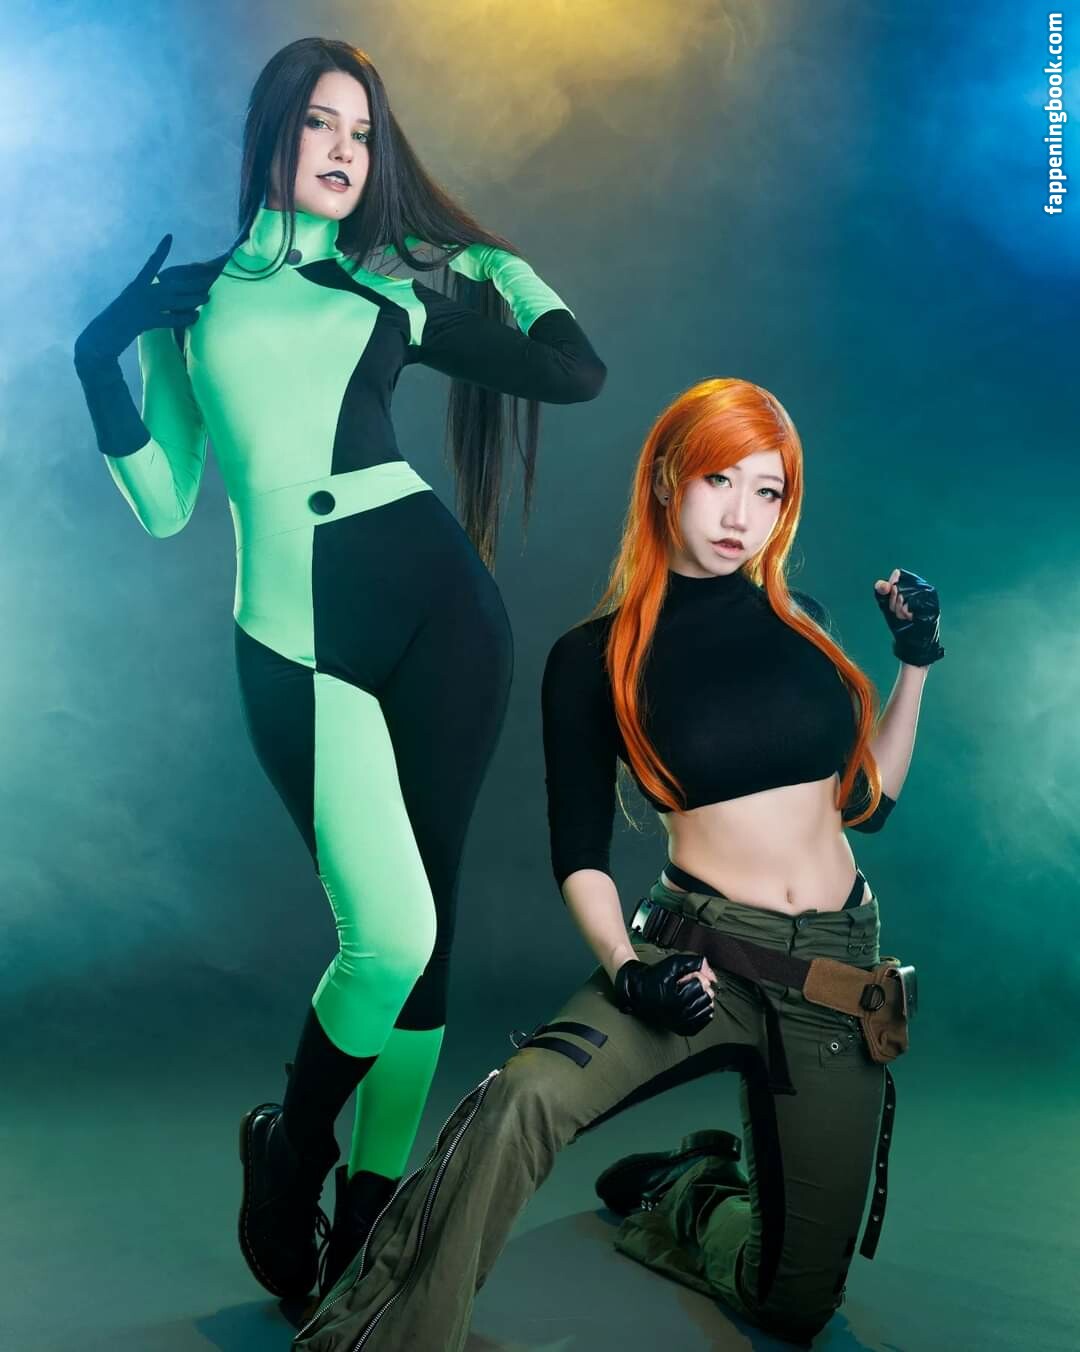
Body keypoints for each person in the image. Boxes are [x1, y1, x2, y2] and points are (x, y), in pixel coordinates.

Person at [71, 36, 605, 1304]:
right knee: (389, 932)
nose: (346, 151)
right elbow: (165, 502)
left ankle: (371, 1216)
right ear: (271, 132)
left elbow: (572, 369)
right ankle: (290, 1154)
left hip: (447, 623)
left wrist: (491, 261)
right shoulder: (191, 303)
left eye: (363, 134)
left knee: (431, 938)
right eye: (322, 122)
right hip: (297, 638)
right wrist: (98, 361)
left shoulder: (388, 291)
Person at [291, 377, 942, 1350]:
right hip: (700, 952)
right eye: (720, 479)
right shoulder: (592, 657)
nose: (741, 515)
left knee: (796, 1306)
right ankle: (381, 1336)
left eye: (767, 491)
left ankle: (688, 1190)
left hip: (834, 969)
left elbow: (867, 806)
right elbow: (580, 852)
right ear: (668, 477)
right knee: (523, 1096)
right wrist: (629, 968)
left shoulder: (801, 620)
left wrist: (915, 661)